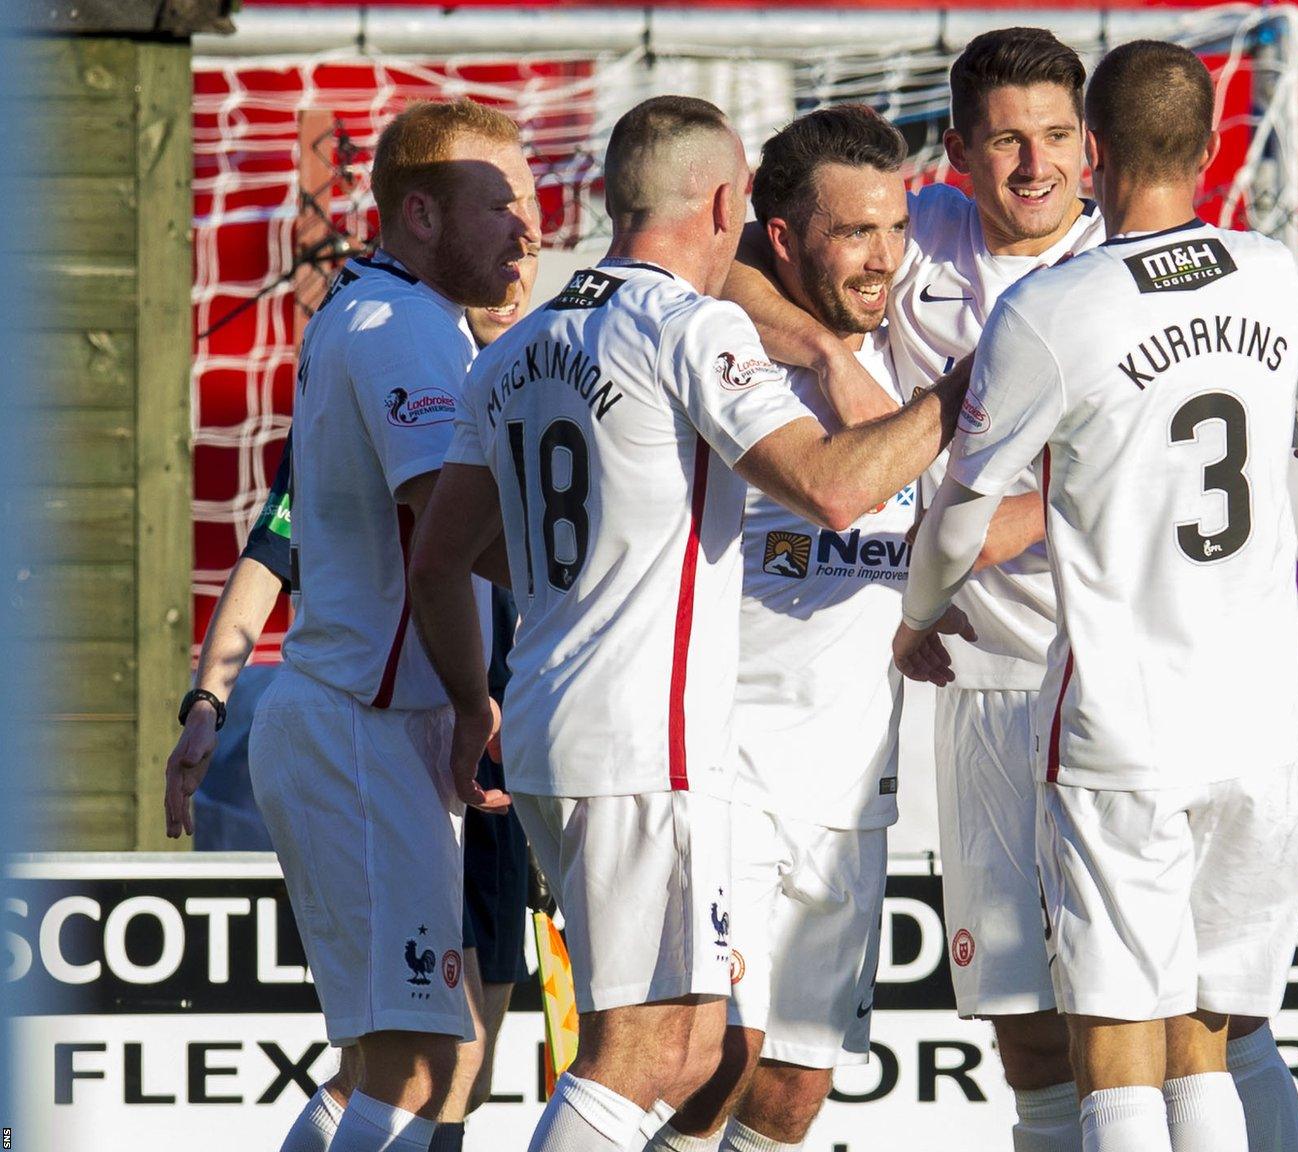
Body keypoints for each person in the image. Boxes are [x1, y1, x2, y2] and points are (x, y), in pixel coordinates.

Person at [725, 28, 1298, 1152]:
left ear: (1091, 152)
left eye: (1053, 138)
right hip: (989, 686)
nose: (1032, 167)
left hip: (1115, 678)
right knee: (1031, 1032)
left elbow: (1181, 462)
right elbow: (739, 263)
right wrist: (830, 353)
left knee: (1201, 1023)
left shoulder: (1120, 273)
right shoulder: (918, 232)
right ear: (953, 153)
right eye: (1003, 142)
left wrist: (1009, 526)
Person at [403, 95, 971, 1152]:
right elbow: (833, 489)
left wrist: (473, 697)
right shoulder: (686, 325)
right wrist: (966, 387)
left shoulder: (520, 345)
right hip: (644, 743)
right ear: (725, 202)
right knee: (642, 1058)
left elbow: (442, 558)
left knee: (693, 1047)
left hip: (545, 728)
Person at [893, 40, 1298, 1152]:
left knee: (1119, 1050)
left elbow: (953, 516)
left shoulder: (1055, 308)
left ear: (1091, 151)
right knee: (1212, 1034)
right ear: (1210, 146)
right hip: (1256, 728)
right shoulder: (1272, 270)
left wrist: (911, 620)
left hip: (1117, 723)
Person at [164, 254, 537, 1152]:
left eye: (527, 251)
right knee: (422, 1061)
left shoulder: (543, 385)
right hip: (420, 742)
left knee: (464, 1068)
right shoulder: (383, 389)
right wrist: (209, 699)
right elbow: (273, 544)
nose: (513, 268)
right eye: (498, 237)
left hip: (508, 759)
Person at [243, 97, 538, 1152]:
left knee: (395, 1068)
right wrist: (476, 698)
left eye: (528, 197)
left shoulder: (380, 312)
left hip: (361, 725)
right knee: (423, 1070)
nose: (526, 224)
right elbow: (443, 544)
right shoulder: (405, 327)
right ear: (417, 213)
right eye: (496, 202)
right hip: (369, 732)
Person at [648, 103, 920, 1152]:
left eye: (893, 229)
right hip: (730, 772)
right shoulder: (727, 350)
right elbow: (703, 277)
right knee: (714, 1064)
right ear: (779, 237)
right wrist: (819, 349)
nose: (882, 257)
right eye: (853, 232)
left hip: (851, 785)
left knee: (793, 1096)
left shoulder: (912, 335)